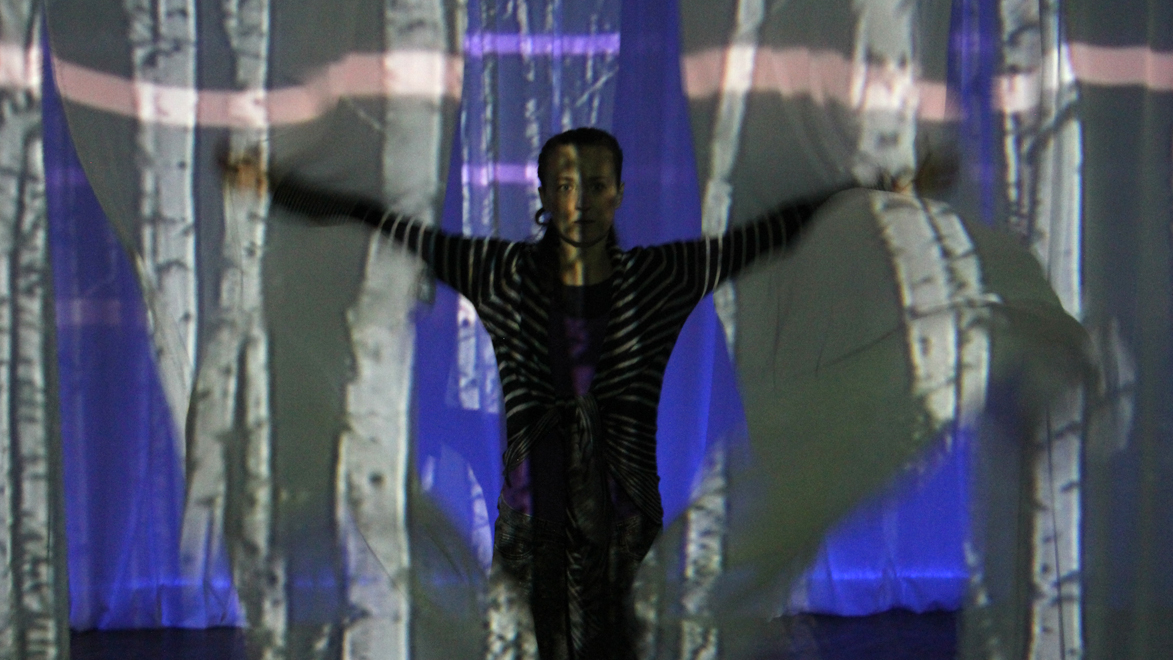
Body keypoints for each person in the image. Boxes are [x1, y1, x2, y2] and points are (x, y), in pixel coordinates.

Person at [228, 128, 849, 659]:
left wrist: (859, 190)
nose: (582, 202)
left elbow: (764, 237)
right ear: (546, 196)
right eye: (567, 186)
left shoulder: (659, 279)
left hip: (623, 523)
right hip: (534, 520)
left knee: (617, 644)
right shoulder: (501, 274)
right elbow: (381, 221)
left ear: (618, 192)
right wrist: (276, 186)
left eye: (597, 185)